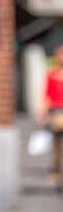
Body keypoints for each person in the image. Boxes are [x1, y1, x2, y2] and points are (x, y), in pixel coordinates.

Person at [40, 45, 63, 190]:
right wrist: (44, 115)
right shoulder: (51, 74)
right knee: (57, 145)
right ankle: (56, 172)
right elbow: (46, 96)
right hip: (56, 112)